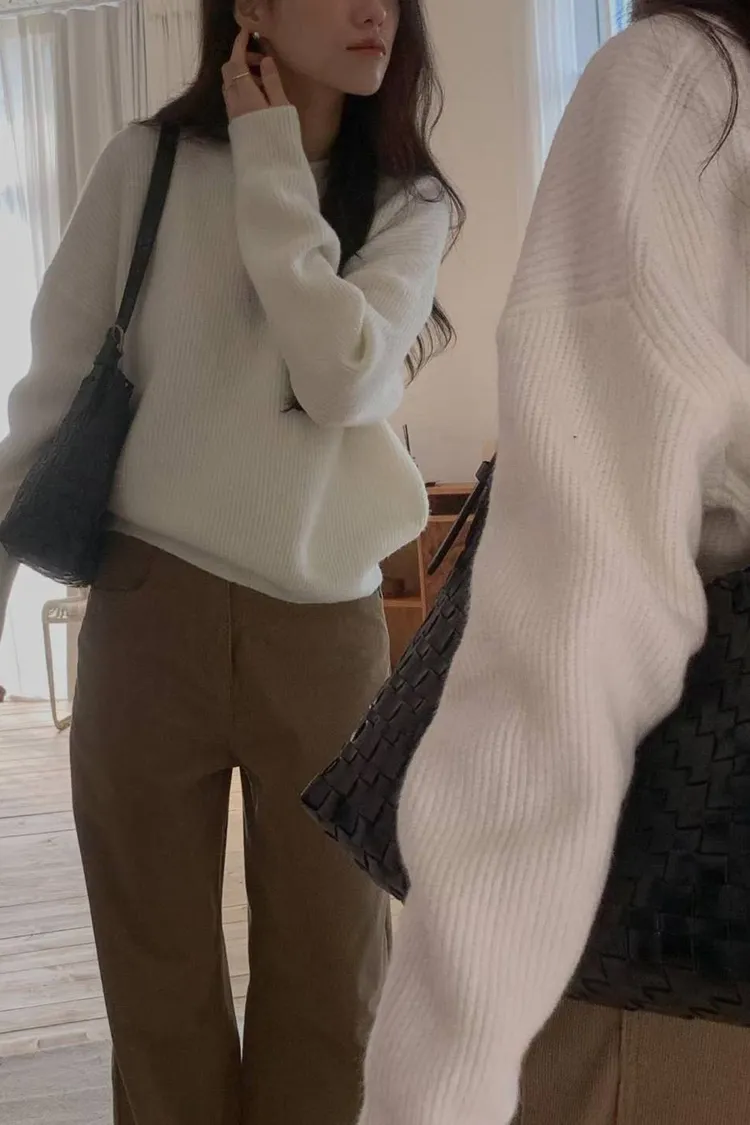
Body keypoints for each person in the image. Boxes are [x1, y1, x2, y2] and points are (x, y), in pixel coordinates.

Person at [0, 0, 463, 1122]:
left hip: (323, 635)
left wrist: (269, 158)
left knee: (332, 991)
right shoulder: (147, 166)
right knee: (156, 989)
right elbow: (48, 401)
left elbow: (342, 378)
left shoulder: (409, 202)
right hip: (147, 611)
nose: (376, 10)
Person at [353, 5, 750, 1125]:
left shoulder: (683, 95)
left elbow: (577, 633)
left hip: (677, 963)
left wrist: (434, 1091)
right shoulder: (690, 99)